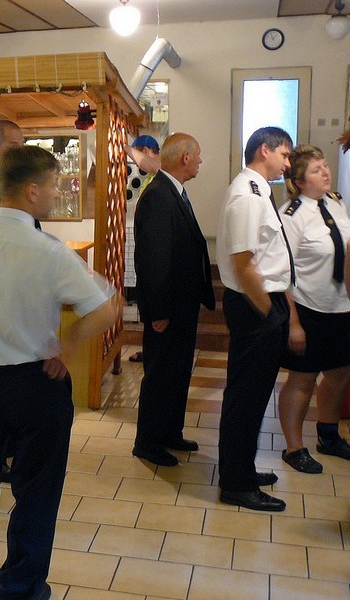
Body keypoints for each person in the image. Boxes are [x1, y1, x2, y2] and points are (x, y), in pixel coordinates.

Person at [0, 145, 117, 599]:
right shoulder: (49, 250)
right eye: (53, 186)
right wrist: (66, 347)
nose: (56, 194)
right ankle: (19, 587)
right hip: (36, 383)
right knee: (37, 488)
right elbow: (107, 308)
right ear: (32, 191)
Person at [216, 126, 293, 512]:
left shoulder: (259, 190)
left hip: (261, 303)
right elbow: (243, 263)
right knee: (245, 399)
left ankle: (241, 469)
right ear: (265, 150)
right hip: (255, 305)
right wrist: (268, 313)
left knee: (252, 396)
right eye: (285, 154)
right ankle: (236, 484)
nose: (288, 163)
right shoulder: (248, 194)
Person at [132, 133, 214, 467]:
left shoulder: (173, 191)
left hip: (182, 304)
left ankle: (170, 432)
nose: (200, 161)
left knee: (178, 372)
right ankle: (149, 443)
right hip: (167, 308)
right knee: (161, 375)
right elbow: (153, 259)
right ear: (185, 157)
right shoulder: (158, 195)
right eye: (198, 155)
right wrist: (158, 311)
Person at [278, 144, 350, 473]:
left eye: (325, 166)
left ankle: (328, 436)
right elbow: (284, 271)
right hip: (308, 308)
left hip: (341, 305)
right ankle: (294, 447)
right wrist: (294, 322)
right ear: (299, 181)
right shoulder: (291, 215)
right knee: (302, 380)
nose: (326, 173)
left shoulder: (336, 203)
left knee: (339, 372)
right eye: (316, 170)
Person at [125, 134, 161, 364]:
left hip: (154, 257)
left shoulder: (160, 171)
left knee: (154, 313)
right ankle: (149, 352)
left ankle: (153, 356)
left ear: (146, 151)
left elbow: (150, 164)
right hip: (147, 255)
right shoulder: (152, 179)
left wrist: (123, 146)